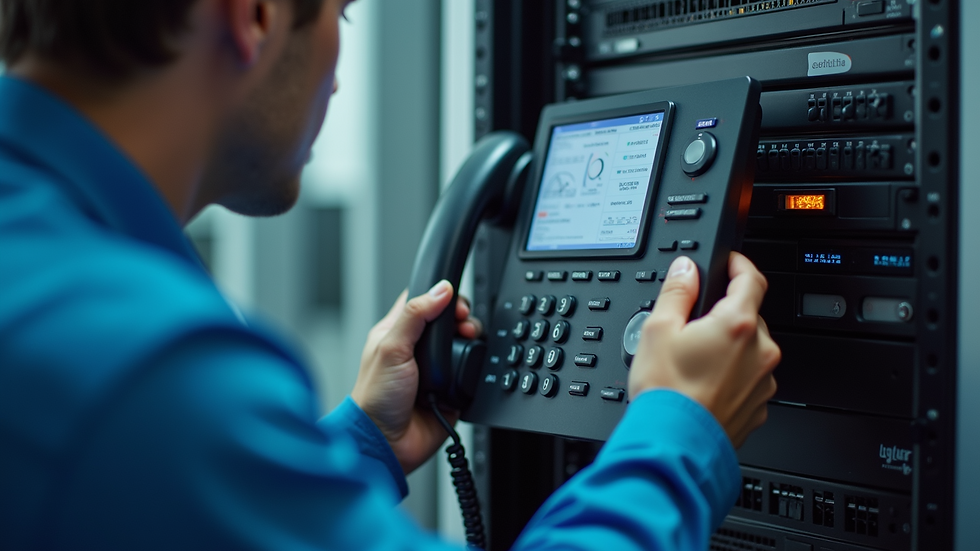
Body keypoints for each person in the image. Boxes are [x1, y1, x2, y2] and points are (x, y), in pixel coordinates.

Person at [0, 0, 781, 549]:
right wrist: (680, 426)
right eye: (341, 16)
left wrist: (363, 442)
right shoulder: (145, 370)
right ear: (256, 15)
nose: (335, 76)